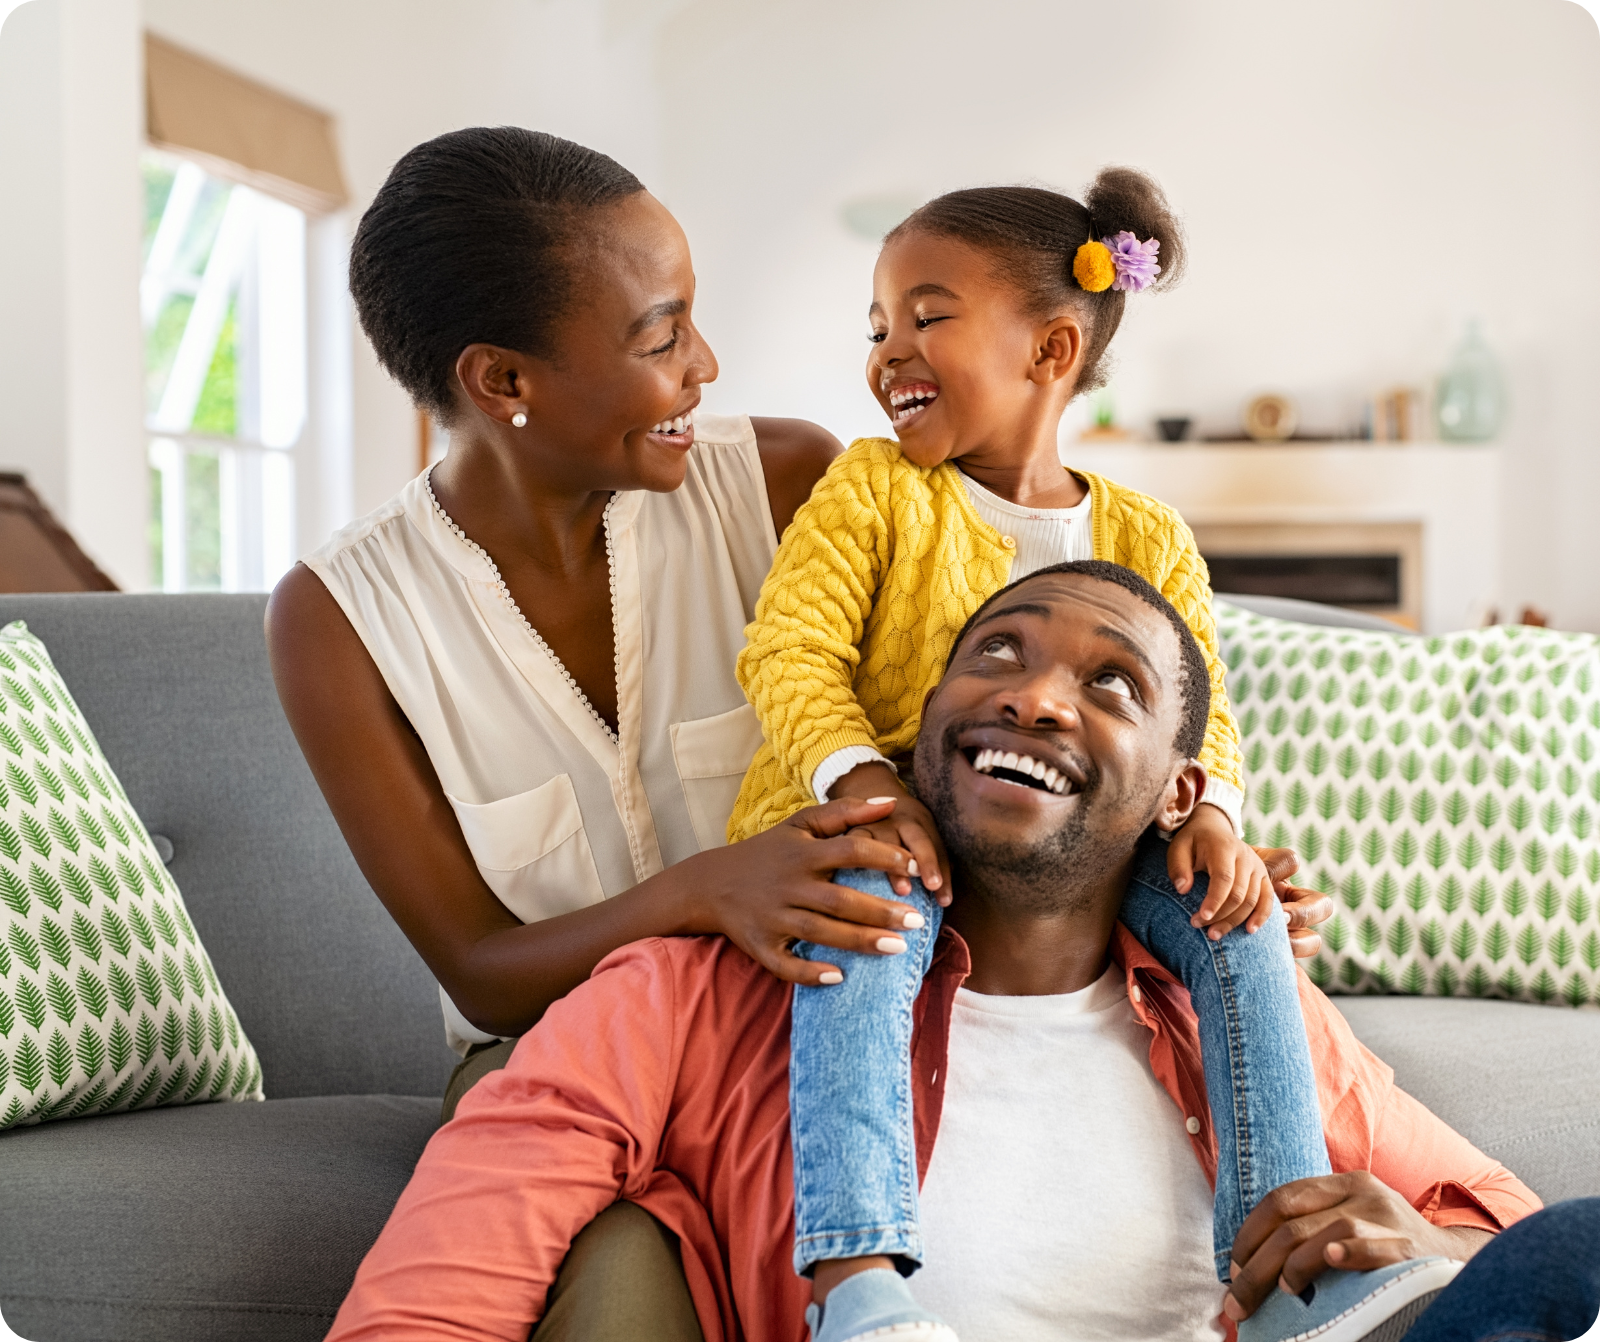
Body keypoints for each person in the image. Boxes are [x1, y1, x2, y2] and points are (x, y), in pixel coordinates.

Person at [323, 561, 1595, 1342]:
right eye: (1000, 653)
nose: (1035, 695)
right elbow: (443, 1286)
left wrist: (1430, 1250)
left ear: (1179, 792)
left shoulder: (1244, 1014)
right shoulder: (687, 992)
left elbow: (1511, 1237)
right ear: (920, 728)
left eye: (1111, 687)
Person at [266, 126, 968, 1327]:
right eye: (660, 336)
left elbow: (977, 730)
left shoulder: (793, 487)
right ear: (504, 381)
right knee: (621, 1293)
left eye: (691, 317)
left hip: (813, 1034)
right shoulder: (339, 620)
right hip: (550, 1067)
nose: (705, 363)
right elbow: (483, 972)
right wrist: (701, 890)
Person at [723, 172, 1337, 1337]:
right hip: (882, 817)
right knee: (870, 906)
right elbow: (788, 650)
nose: (887, 348)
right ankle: (858, 1283)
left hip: (1079, 846)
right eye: (877, 324)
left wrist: (1208, 808)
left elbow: (1197, 701)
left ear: (1051, 347)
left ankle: (1284, 1262)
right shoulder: (873, 489)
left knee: (1240, 919)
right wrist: (859, 781)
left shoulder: (1147, 532)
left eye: (926, 315)